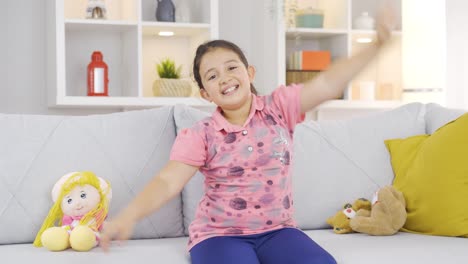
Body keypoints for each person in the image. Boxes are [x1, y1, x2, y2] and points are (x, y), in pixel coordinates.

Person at [101, 6, 396, 264]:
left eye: (232, 68)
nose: (225, 78)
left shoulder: (280, 108)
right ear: (205, 93)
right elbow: (167, 181)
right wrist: (128, 216)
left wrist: (376, 45)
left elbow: (329, 83)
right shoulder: (201, 134)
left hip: (279, 232)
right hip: (218, 236)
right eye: (212, 76)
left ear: (249, 73)